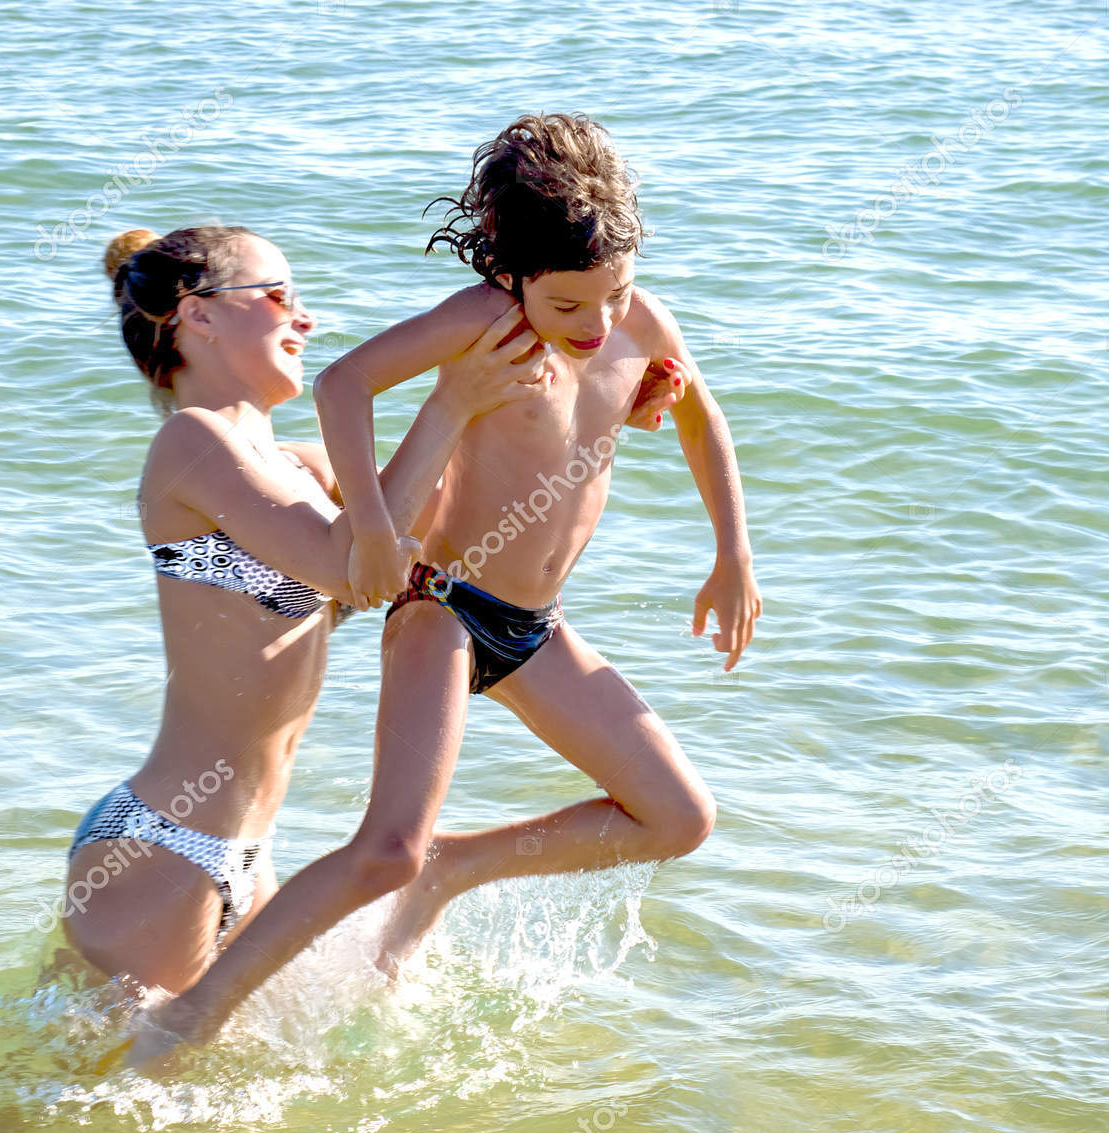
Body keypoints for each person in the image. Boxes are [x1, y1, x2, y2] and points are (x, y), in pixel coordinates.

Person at [128, 113, 758, 1065]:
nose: (595, 325)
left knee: (678, 817)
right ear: (512, 277)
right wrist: (376, 528)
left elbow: (701, 420)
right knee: (387, 846)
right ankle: (189, 1016)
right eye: (568, 307)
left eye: (614, 295)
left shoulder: (636, 321)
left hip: (535, 627)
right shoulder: (480, 323)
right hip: (445, 604)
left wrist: (733, 555)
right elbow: (343, 384)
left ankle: (455, 869)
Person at [67, 221, 684, 999]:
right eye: (278, 296)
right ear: (200, 314)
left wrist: (592, 411)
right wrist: (450, 401)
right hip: (164, 847)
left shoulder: (296, 466)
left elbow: (418, 538)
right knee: (45, 1103)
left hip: (247, 853)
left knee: (174, 1102)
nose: (305, 318)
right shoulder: (193, 444)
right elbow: (347, 567)